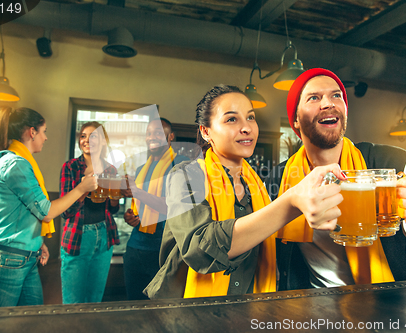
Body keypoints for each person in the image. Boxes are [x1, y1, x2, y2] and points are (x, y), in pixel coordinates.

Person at [264, 68, 406, 290]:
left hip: (395, 305)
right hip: (318, 312)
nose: (328, 103)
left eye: (336, 95)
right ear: (296, 120)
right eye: (314, 97)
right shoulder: (279, 181)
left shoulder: (394, 163)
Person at [145, 85, 346, 299]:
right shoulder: (185, 176)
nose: (246, 128)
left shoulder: (258, 185)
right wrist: (290, 202)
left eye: (250, 117)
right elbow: (200, 249)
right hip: (192, 311)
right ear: (206, 131)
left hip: (250, 311)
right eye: (232, 119)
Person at [0, 107, 97, 308]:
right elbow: (47, 212)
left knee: (32, 321)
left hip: (26, 258)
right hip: (6, 262)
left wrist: (37, 242)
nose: (45, 138)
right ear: (32, 132)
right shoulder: (16, 164)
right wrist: (81, 188)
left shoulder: (22, 162)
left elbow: (22, 212)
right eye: (44, 131)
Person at [122, 118, 189, 300]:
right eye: (149, 133)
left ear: (170, 137)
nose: (152, 137)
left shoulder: (182, 165)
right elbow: (137, 207)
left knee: (162, 311)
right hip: (135, 248)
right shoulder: (142, 168)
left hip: (164, 251)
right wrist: (131, 217)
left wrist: (138, 192)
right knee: (134, 307)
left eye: (158, 132)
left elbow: (176, 207)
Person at [59, 121, 120, 304]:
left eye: (92, 136)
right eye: (83, 136)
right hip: (78, 236)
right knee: (73, 300)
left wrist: (116, 194)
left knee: (95, 299)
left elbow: (113, 209)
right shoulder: (70, 167)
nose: (86, 140)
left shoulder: (110, 170)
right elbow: (65, 211)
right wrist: (84, 187)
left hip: (104, 235)